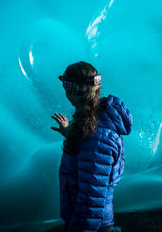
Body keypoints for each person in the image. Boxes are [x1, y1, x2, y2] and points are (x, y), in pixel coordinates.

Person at [51, 61, 133, 232]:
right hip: (88, 218)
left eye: (66, 85)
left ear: (73, 89)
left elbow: (91, 198)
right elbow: (86, 153)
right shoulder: (96, 118)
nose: (65, 91)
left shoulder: (98, 140)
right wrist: (68, 131)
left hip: (90, 224)